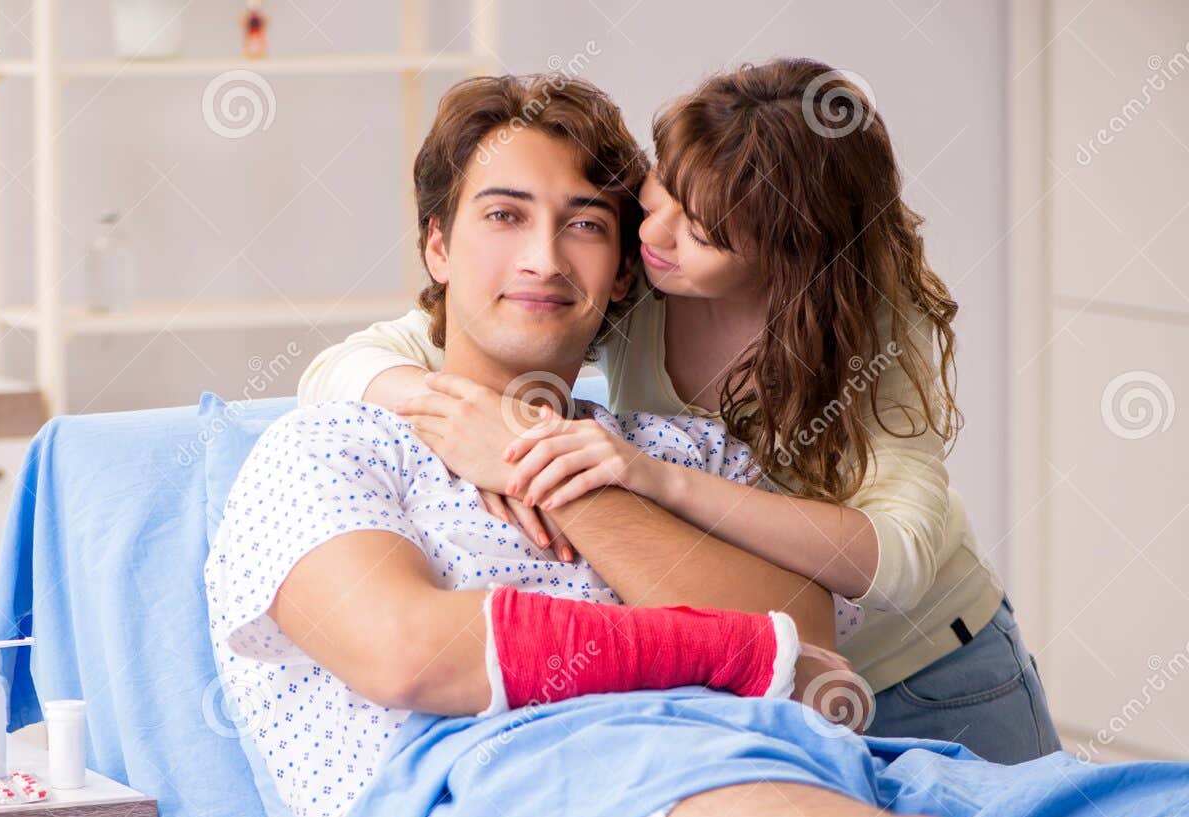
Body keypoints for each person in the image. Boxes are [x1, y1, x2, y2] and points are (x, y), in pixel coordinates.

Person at [207, 72, 1189, 817]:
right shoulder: (330, 447)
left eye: (584, 224)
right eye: (503, 215)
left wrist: (566, 478)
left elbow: (816, 625)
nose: (543, 257)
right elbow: (407, 653)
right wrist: (733, 649)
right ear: (436, 246)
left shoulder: (681, 452)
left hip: (887, 703)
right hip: (556, 803)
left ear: (619, 271)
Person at [297, 60, 1058, 765]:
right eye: (659, 198)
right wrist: (490, 433)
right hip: (771, 698)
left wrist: (652, 481)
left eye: (698, 231)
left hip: (930, 672)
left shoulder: (870, 329)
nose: (651, 238)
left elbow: (895, 565)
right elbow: (350, 364)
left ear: (783, 253)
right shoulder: (638, 288)